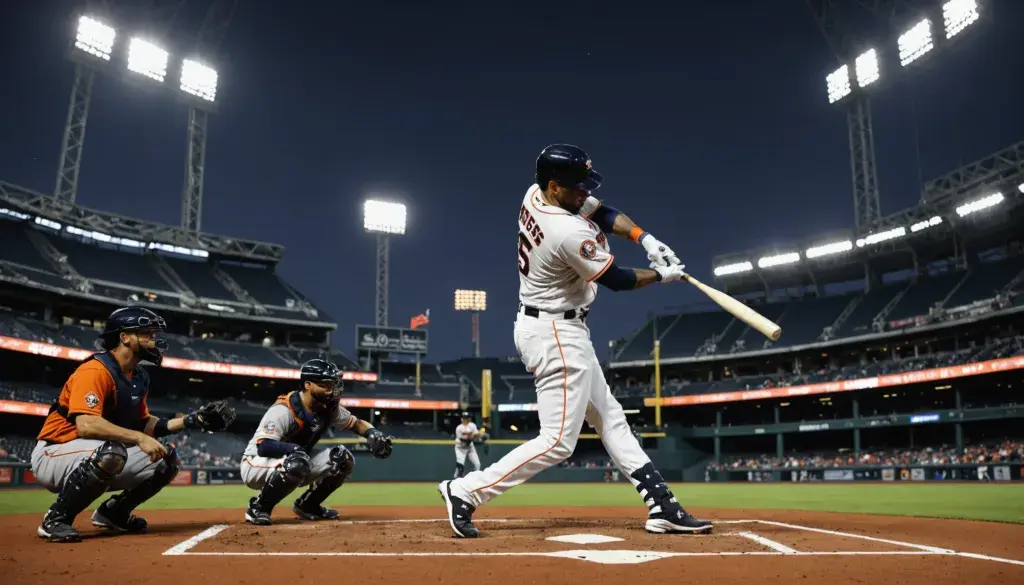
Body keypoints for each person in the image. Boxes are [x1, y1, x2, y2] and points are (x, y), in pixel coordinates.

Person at [438, 144, 713, 538]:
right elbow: (616, 279)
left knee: (612, 420)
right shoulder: (565, 231)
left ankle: (662, 506)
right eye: (577, 186)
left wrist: (645, 238)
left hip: (557, 327)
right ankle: (465, 489)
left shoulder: (535, 195)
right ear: (554, 186)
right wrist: (661, 276)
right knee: (557, 442)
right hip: (555, 333)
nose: (585, 192)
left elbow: (601, 211)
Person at [32, 306, 235, 543]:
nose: (154, 340)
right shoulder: (95, 370)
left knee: (166, 458)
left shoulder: (138, 377)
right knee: (112, 452)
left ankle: (114, 513)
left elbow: (144, 424)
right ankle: (56, 519)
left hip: (93, 452)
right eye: (147, 333)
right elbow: (86, 425)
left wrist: (192, 420)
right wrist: (138, 438)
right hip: (54, 451)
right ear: (124, 337)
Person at [241, 358, 394, 525]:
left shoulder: (327, 407)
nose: (332, 390)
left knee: (342, 459)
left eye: (334, 384)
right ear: (308, 385)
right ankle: (259, 508)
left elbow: (356, 423)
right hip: (255, 463)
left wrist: (372, 433)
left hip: (296, 460)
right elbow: (264, 446)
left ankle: (308, 506)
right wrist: (294, 449)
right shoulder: (284, 409)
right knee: (297, 462)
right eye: (326, 385)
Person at [453, 412, 481, 478]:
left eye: (467, 418)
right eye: (464, 418)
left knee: (477, 465)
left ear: (469, 419)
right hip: (460, 448)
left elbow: (476, 437)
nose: (465, 419)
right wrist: (472, 437)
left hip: (470, 448)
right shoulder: (459, 428)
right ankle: (456, 478)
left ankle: (474, 479)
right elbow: (465, 440)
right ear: (461, 419)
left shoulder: (472, 425)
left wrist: (479, 438)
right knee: (460, 467)